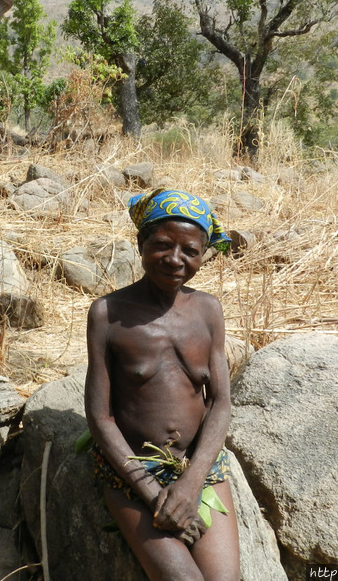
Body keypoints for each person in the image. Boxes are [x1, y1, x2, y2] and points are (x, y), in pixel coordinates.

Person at [85, 188, 240, 581]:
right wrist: (155, 496)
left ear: (203, 255)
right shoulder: (108, 313)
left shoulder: (208, 310)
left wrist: (191, 484)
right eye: (162, 245)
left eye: (190, 250)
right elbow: (100, 417)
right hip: (133, 471)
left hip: (199, 467)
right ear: (140, 244)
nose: (175, 260)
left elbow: (220, 401)